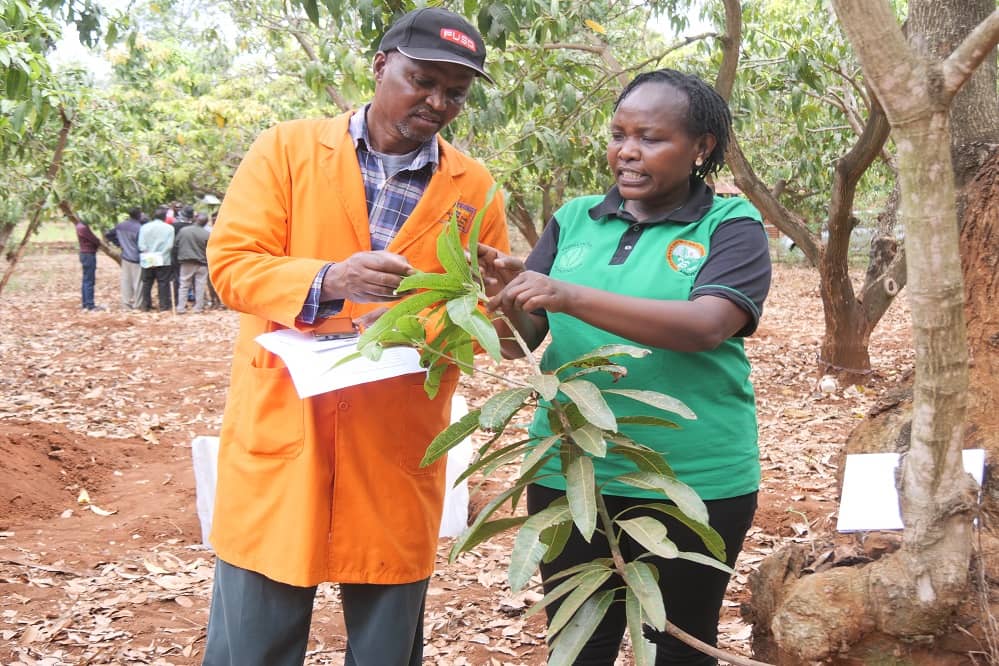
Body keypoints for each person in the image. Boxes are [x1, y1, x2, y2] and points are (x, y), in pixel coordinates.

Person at [203, 8, 509, 666]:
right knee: (252, 637)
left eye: (455, 93)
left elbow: (477, 310)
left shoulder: (474, 188)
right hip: (287, 423)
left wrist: (411, 326)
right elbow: (231, 266)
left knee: (384, 644)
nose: (437, 102)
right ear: (380, 66)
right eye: (422, 81)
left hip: (393, 436)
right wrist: (331, 279)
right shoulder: (285, 151)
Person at [481, 69, 772, 665]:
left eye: (651, 138)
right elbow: (520, 344)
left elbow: (706, 325)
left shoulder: (730, 226)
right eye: (619, 135)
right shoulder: (575, 219)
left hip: (692, 477)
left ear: (701, 148)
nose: (627, 151)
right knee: (577, 643)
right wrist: (503, 300)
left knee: (678, 643)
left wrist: (567, 294)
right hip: (572, 467)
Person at [104, 207, 143, 309]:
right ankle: (138, 305)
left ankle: (126, 305)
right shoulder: (139, 228)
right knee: (138, 282)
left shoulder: (121, 225)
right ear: (138, 215)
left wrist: (119, 244)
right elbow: (142, 244)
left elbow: (108, 235)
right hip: (136, 258)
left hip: (125, 257)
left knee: (126, 282)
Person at [137, 206, 175, 312]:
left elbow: (141, 244)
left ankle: (146, 305)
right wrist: (160, 255)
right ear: (165, 217)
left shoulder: (144, 227)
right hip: (163, 259)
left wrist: (149, 254)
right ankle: (164, 305)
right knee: (163, 283)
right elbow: (169, 245)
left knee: (147, 282)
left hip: (147, 258)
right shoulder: (169, 228)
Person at [175, 213, 210, 313]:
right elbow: (209, 249)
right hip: (202, 262)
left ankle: (181, 307)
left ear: (195, 219)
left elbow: (176, 244)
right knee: (200, 285)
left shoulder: (184, 231)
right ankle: (198, 307)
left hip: (187, 262)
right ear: (205, 223)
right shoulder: (206, 234)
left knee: (184, 284)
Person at [75, 218, 104, 311]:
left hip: (84, 254)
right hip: (88, 254)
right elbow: (94, 239)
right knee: (89, 280)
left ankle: (85, 304)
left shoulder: (79, 226)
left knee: (86, 280)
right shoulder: (83, 228)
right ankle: (90, 305)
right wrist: (99, 242)